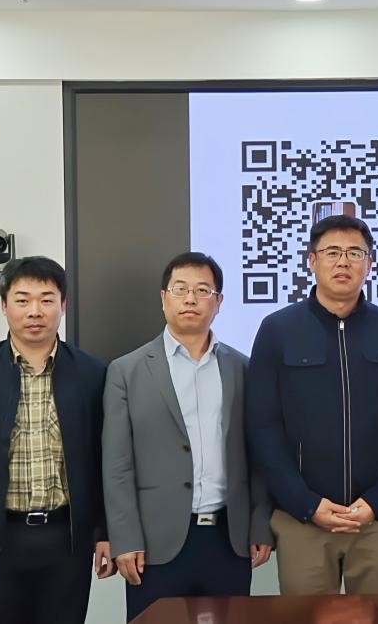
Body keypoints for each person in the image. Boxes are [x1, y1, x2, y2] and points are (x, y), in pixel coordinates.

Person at [0, 257, 113, 624]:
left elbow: (108, 460)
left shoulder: (93, 374)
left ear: (63, 306)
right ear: (4, 305)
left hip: (67, 542)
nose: (34, 311)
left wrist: (105, 532)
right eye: (22, 300)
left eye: (47, 300)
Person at [246, 214, 378, 594]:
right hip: (302, 520)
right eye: (332, 252)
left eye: (355, 253)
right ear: (312, 261)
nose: (343, 262)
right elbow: (263, 428)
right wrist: (305, 503)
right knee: (304, 619)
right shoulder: (277, 330)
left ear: (369, 263)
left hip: (377, 521)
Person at [103, 252, 273, 620]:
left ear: (219, 302)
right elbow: (117, 466)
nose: (191, 299)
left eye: (202, 290)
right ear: (163, 298)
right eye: (180, 289)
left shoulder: (243, 369)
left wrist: (261, 524)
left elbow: (259, 456)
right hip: (154, 543)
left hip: (228, 539)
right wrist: (125, 538)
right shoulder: (126, 371)